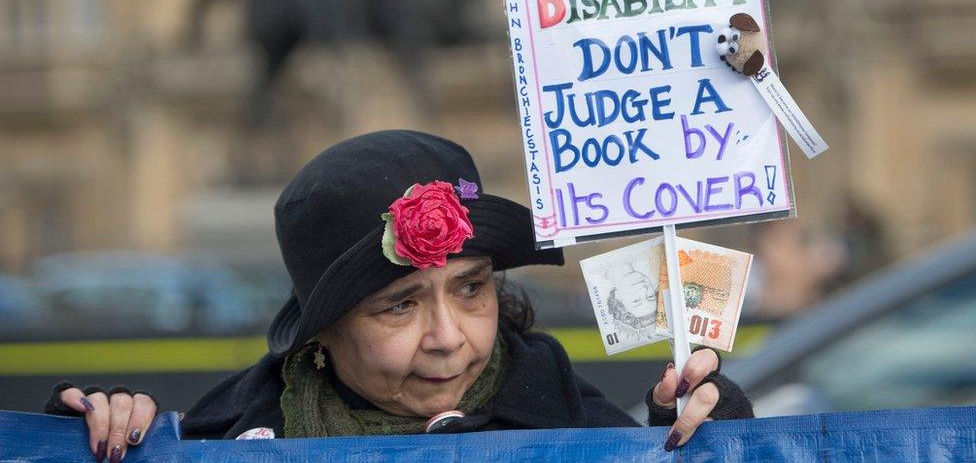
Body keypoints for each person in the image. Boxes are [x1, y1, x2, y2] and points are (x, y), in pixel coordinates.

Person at [45, 130, 753, 461]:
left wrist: (711, 434)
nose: (449, 336)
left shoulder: (564, 409)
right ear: (323, 331)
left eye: (471, 288)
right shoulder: (234, 437)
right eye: (401, 304)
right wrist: (99, 438)